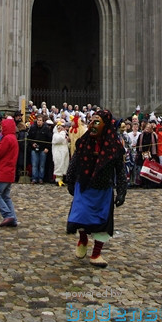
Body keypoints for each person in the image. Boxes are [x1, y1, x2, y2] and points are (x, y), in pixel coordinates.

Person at [65, 109, 126, 268]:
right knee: (81, 216)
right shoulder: (84, 141)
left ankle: (96, 254)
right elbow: (75, 162)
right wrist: (70, 180)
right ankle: (83, 238)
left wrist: (121, 191)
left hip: (103, 189)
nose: (92, 125)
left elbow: (120, 170)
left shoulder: (114, 146)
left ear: (105, 125)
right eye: (91, 121)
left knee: (102, 221)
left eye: (96, 122)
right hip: (84, 185)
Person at [52, 120, 70, 187]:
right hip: (58, 152)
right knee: (59, 164)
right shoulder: (55, 135)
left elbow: (66, 143)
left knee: (64, 165)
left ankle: (61, 179)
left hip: (64, 152)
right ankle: (58, 179)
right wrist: (62, 133)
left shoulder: (65, 134)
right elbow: (59, 140)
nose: (61, 129)